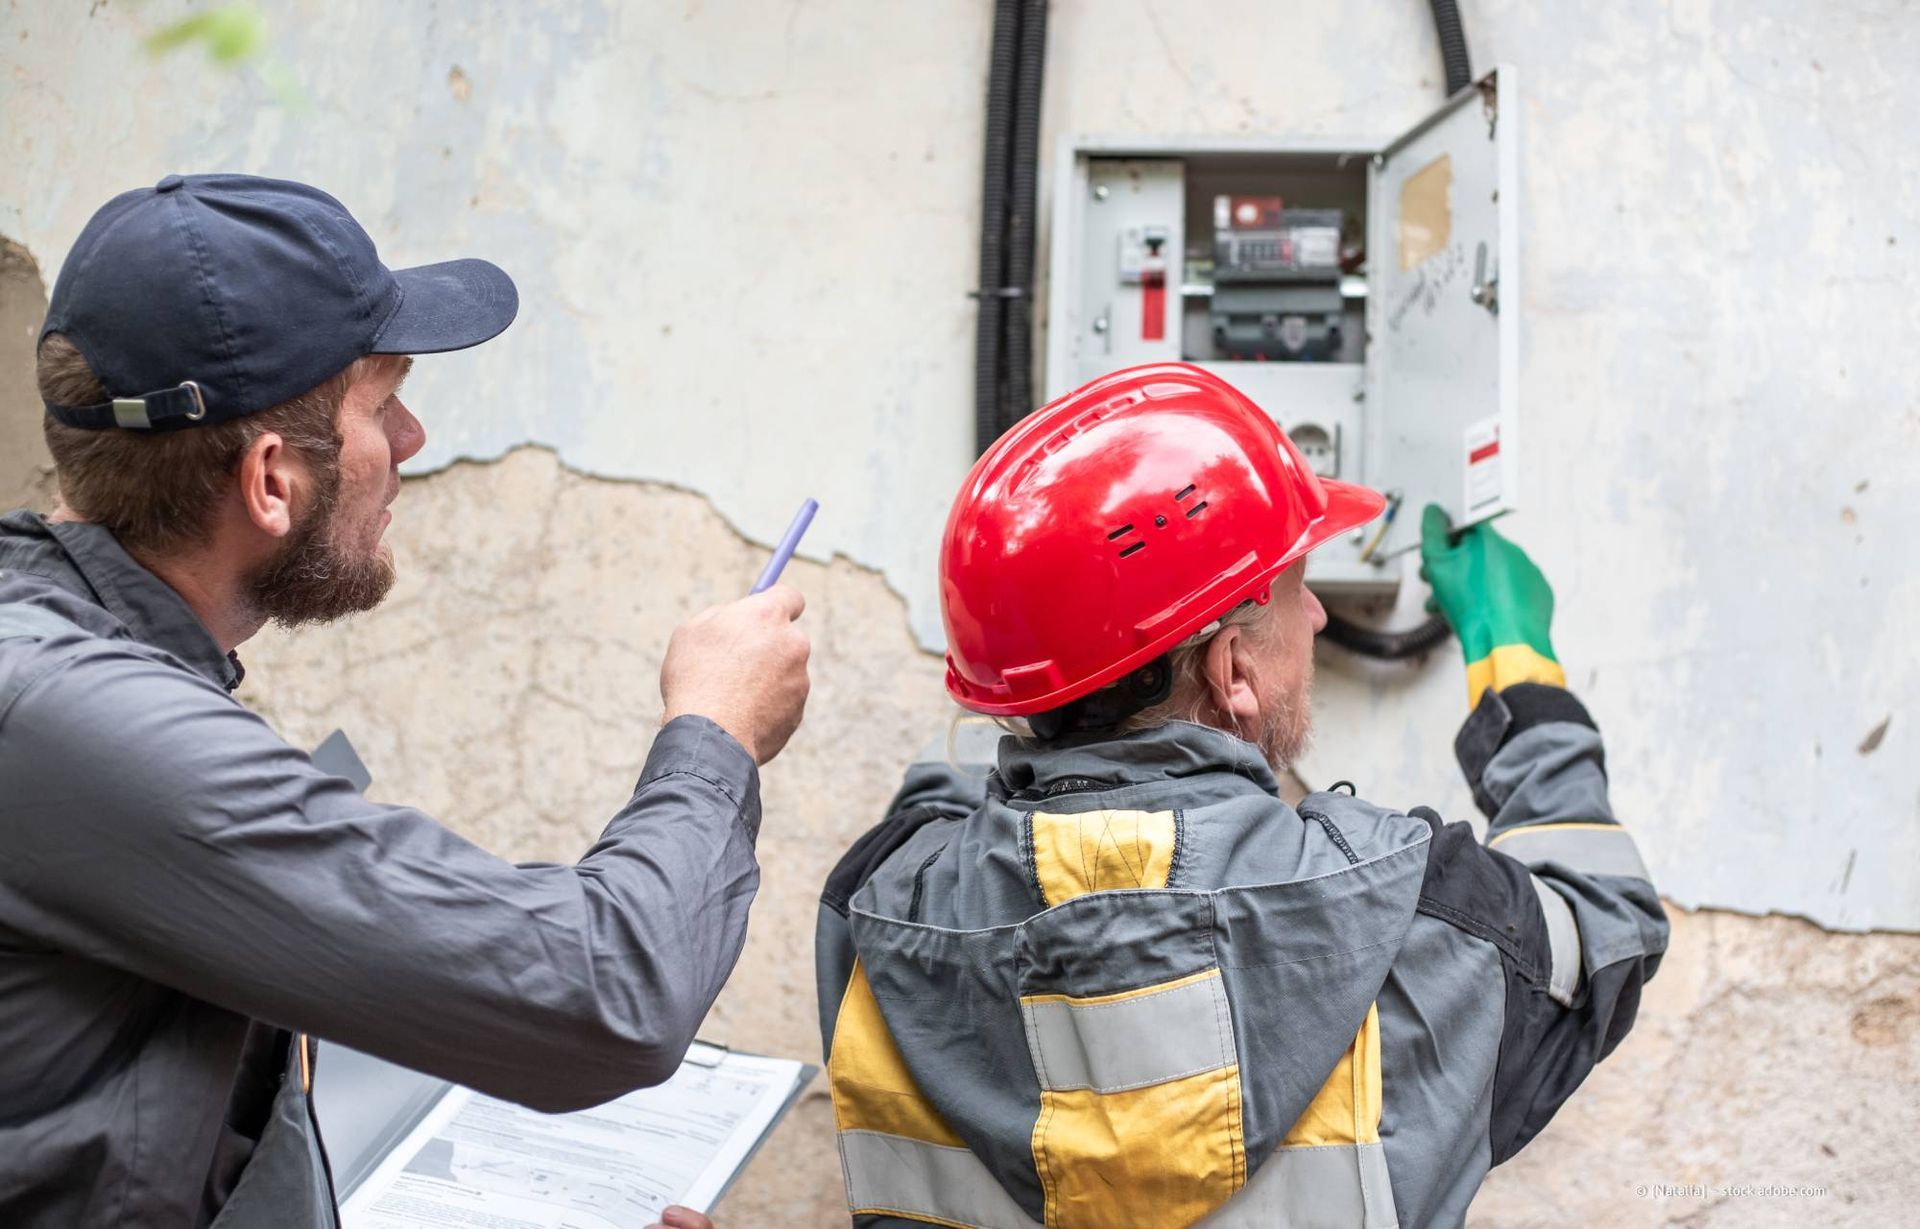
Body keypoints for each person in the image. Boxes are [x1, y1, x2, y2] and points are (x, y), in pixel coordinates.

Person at [0, 174, 808, 1228]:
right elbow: (603, 993)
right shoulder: (74, 717)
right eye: (382, 403)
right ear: (272, 480)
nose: (415, 437)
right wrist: (715, 731)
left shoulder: (80, 659)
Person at [814, 364, 1669, 1228]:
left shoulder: (878, 909)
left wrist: (1036, 653)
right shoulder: (1419, 913)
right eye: (1298, 589)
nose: (1320, 620)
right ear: (1233, 672)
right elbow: (1602, 926)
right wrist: (1517, 662)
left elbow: (942, 790)